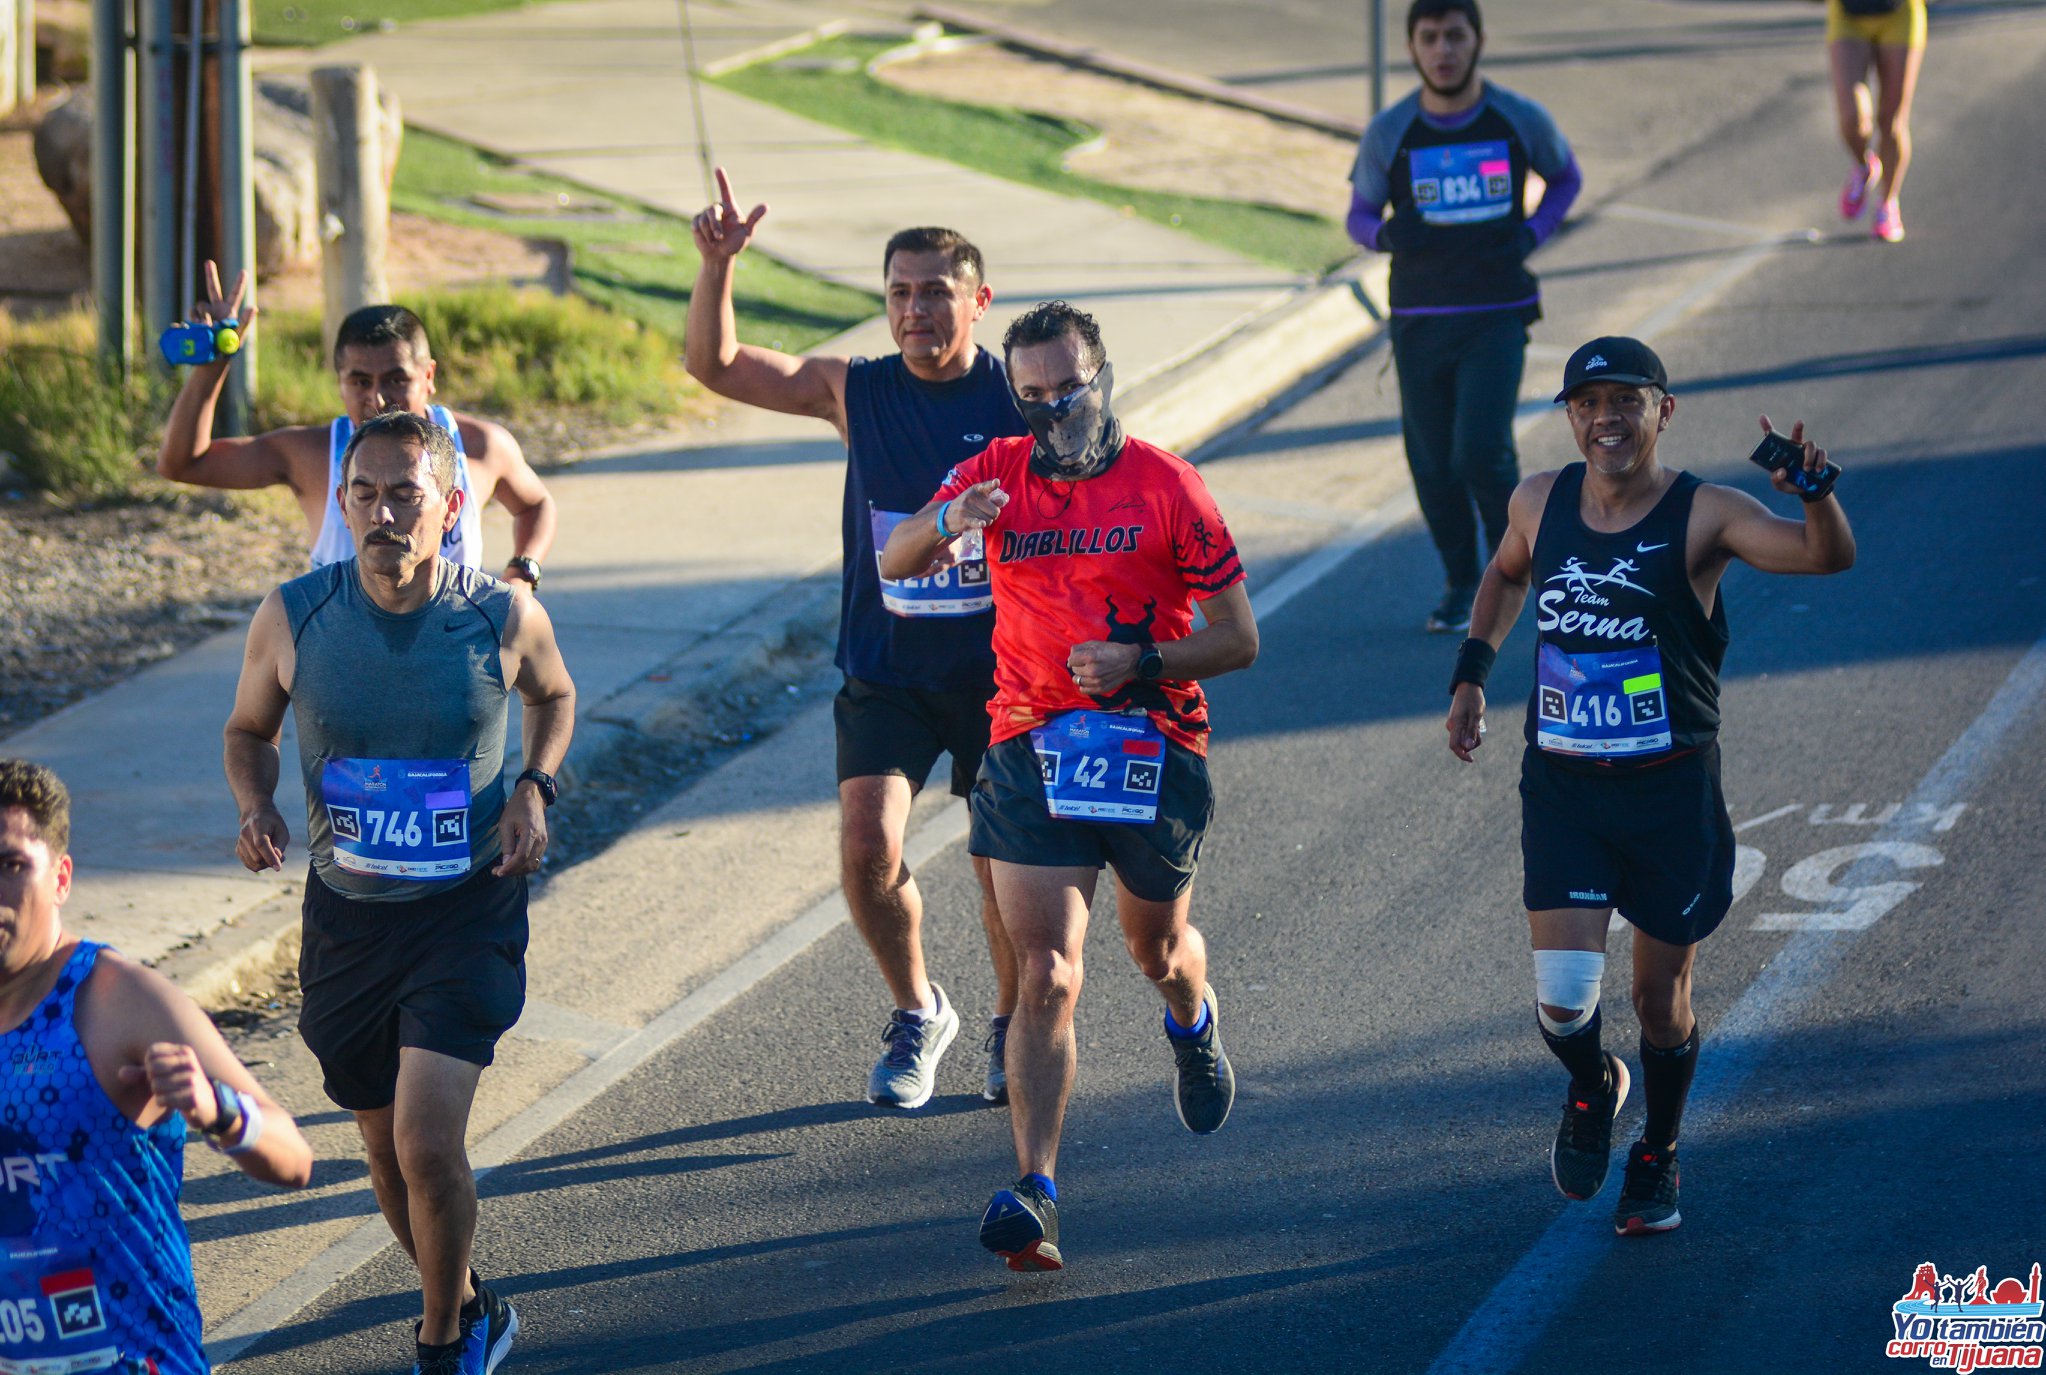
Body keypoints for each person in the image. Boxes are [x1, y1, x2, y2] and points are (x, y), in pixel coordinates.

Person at [1444, 337, 1855, 1235]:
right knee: (1564, 1001)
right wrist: (1472, 673)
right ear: (1570, 417)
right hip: (1566, 787)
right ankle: (1595, 1083)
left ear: (1662, 411)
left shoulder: (1707, 512)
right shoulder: (1537, 500)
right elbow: (1506, 573)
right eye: (1588, 403)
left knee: (1659, 1003)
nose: (1607, 420)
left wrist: (1816, 496)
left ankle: (1659, 1149)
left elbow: (1824, 557)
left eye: (1626, 401)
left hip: (1670, 797)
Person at [881, 301, 1259, 1271]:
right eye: (1034, 394)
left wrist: (1142, 659)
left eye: (1069, 388)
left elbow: (1239, 639)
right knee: (1047, 970)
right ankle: (1035, 1191)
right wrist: (948, 519)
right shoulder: (996, 473)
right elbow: (895, 557)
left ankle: (1193, 1018)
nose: (1054, 409)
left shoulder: (1170, 486)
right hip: (1027, 746)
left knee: (1156, 948)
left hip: (1152, 744)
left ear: (1104, 378)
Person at [223, 410, 576, 1374]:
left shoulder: (501, 615)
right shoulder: (294, 615)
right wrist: (255, 804)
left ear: (450, 506)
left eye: (405, 494)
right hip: (347, 920)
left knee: (424, 1142)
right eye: (365, 494)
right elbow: (248, 729)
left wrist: (534, 788)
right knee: (384, 1154)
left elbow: (554, 695)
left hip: (467, 909)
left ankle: (442, 1342)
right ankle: (468, 1300)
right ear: (342, 504)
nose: (383, 513)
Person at [685, 168, 1029, 1108]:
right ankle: (920, 1010)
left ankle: (1009, 1023)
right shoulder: (857, 389)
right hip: (887, 672)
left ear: (979, 302)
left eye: (936, 292)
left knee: (1001, 871)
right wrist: (717, 266)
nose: (915, 310)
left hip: (1003, 678)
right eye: (899, 293)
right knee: (867, 850)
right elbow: (717, 366)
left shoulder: (1016, 398)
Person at [0, 758, 312, 1375]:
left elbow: (294, 1156)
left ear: (60, 879)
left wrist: (218, 1111)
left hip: (132, 1359)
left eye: (11, 866)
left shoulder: (116, 998)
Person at [1347, 0, 1582, 634]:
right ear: (1412, 47)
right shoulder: (1391, 130)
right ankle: (1461, 584)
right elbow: (1358, 216)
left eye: (1455, 36)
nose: (1443, 50)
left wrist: (1533, 232)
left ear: (1478, 40)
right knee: (1431, 462)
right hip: (1419, 318)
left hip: (1496, 313)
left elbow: (1566, 178)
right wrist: (1386, 236)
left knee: (1481, 450)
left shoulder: (1517, 117)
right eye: (1429, 38)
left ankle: (1515, 572)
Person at [157, 262, 559, 589]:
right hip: (345, 659)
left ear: (428, 376)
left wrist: (522, 575)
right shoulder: (312, 455)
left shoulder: (479, 447)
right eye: (361, 382)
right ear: (340, 383)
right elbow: (184, 464)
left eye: (396, 380)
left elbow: (536, 504)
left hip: (454, 654)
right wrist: (213, 367)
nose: (379, 399)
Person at [1823, 0, 1926, 242]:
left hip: (1901, 13)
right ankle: (1864, 166)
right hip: (1847, 14)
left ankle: (1888, 203)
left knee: (1892, 122)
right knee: (1852, 119)